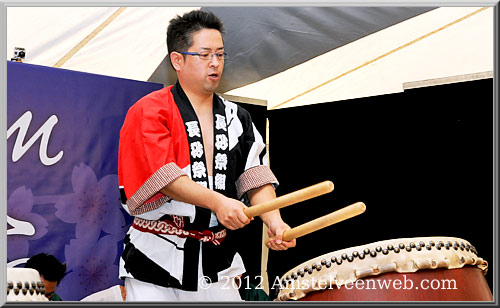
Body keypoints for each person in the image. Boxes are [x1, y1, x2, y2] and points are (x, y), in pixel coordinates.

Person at [117, 9, 295, 301]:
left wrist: (274, 222)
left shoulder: (238, 116)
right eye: (205, 54)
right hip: (156, 256)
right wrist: (218, 202)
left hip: (216, 258)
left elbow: (254, 177)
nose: (215, 62)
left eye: (221, 54)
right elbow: (164, 178)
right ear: (178, 59)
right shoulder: (150, 111)